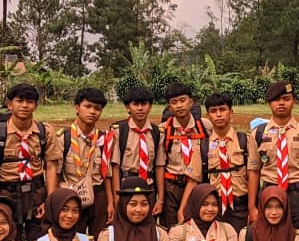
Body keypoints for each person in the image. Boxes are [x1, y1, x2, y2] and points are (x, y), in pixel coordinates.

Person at [0, 83, 61, 241]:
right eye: (19, 101)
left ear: (36, 105)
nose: (24, 105)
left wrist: (49, 200)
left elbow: (51, 165)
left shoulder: (45, 132)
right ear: (10, 104)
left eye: (30, 101)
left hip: (37, 192)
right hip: (8, 193)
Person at [248, 81, 299, 231]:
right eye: (276, 99)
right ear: (269, 103)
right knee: (269, 238)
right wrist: (252, 208)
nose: (281, 103)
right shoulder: (258, 134)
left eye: (286, 99)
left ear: (294, 101)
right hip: (269, 194)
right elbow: (254, 171)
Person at [182, 92, 249, 232]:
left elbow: (254, 175)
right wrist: (182, 209)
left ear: (231, 112)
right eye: (213, 111)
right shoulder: (202, 146)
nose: (218, 115)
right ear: (208, 116)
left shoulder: (245, 141)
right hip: (213, 207)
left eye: (222, 110)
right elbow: (193, 179)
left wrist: (253, 207)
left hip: (240, 206)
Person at [156, 82, 208, 228]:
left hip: (197, 185)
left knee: (196, 226)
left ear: (191, 102)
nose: (179, 105)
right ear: (169, 107)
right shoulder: (163, 130)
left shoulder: (204, 126)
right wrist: (160, 198)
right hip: (172, 187)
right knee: (172, 228)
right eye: (174, 102)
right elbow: (159, 166)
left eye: (182, 100)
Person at [59, 87, 109, 237]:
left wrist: (111, 203)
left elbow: (108, 174)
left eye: (97, 108)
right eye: (87, 106)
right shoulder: (63, 138)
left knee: (100, 237)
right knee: (73, 237)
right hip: (71, 194)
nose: (92, 112)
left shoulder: (104, 139)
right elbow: (53, 172)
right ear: (77, 107)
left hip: (98, 194)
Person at [104, 86, 160, 220]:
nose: (140, 108)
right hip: (125, 186)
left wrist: (161, 199)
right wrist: (117, 196)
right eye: (135, 104)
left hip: (148, 186)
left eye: (144, 104)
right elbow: (115, 167)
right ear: (128, 107)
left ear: (150, 107)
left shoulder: (157, 132)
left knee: (147, 224)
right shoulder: (118, 131)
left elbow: (159, 166)